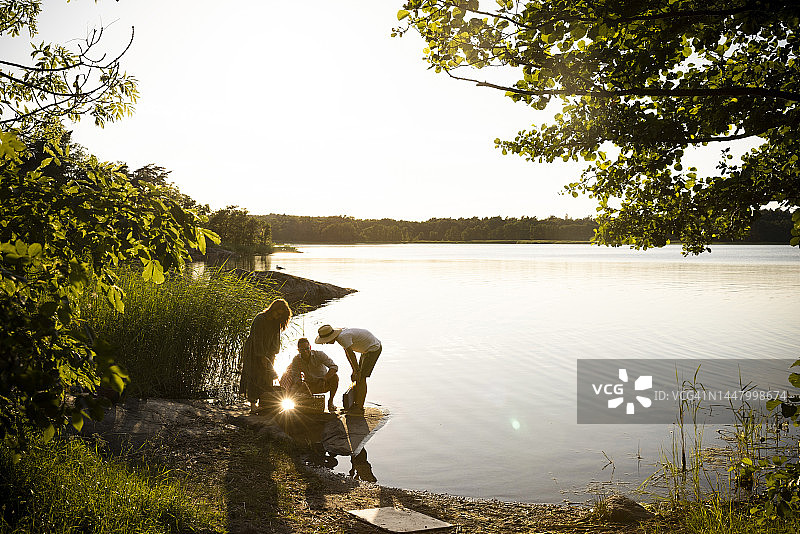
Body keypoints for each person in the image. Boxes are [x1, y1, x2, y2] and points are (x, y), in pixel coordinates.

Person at [239, 298, 291, 413]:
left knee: (267, 377)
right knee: (255, 376)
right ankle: (253, 406)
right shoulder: (260, 319)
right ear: (273, 309)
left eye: (280, 315)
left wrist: (272, 355)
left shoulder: (276, 322)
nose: (278, 316)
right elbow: (257, 339)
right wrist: (261, 356)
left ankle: (264, 403)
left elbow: (276, 340)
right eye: (277, 313)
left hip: (268, 353)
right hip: (254, 351)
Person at [315, 324, 381, 413]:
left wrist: (356, 371)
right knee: (358, 376)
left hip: (373, 348)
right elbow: (348, 353)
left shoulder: (342, 337)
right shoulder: (341, 337)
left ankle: (359, 407)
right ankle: (356, 403)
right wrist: (354, 370)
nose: (326, 343)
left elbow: (351, 355)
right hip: (366, 349)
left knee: (361, 378)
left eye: (326, 341)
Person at [280, 337, 339, 413]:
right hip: (309, 386)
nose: (305, 351)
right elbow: (295, 376)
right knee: (293, 388)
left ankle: (330, 402)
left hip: (323, 383)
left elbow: (334, 367)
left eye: (307, 349)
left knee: (335, 377)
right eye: (302, 350)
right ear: (298, 350)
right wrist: (301, 384)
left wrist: (324, 378)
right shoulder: (296, 359)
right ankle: (294, 407)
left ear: (310, 347)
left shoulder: (319, 354)